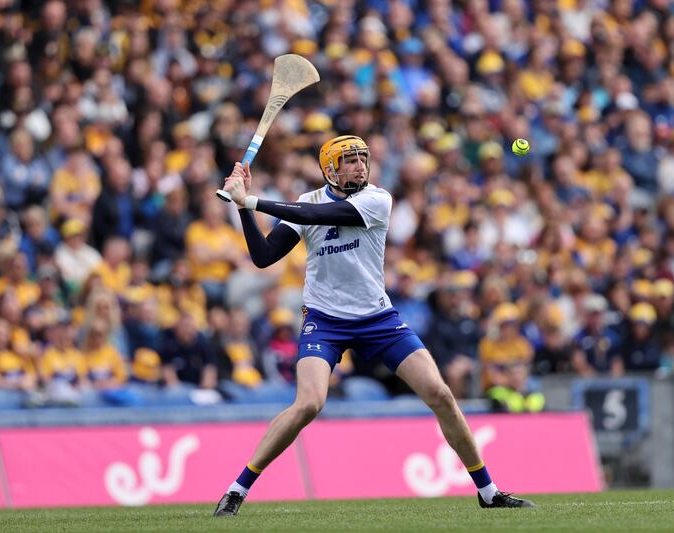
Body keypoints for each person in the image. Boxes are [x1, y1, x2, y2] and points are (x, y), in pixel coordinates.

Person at [213, 135, 536, 516]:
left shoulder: (376, 199)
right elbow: (264, 256)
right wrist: (243, 209)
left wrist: (248, 199)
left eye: (363, 159)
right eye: (350, 161)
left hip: (377, 318)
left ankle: (488, 491)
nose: (360, 166)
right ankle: (237, 489)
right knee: (309, 403)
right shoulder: (308, 200)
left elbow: (317, 217)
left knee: (440, 393)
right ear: (330, 169)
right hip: (325, 319)